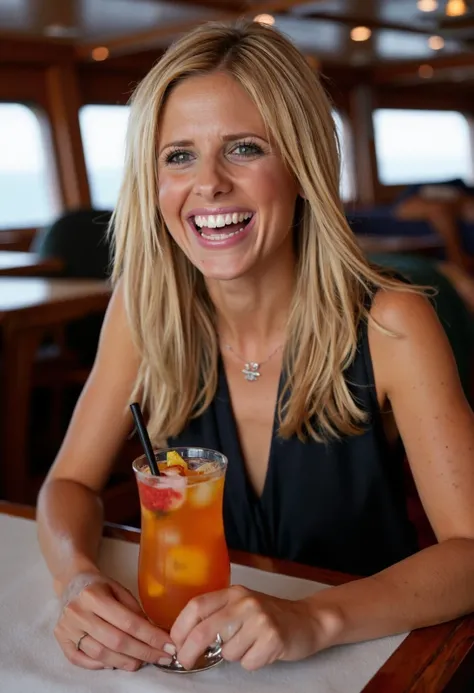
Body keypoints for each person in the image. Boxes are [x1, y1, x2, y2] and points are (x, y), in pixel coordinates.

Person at [37, 20, 474, 674]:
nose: (208, 184)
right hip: (198, 663)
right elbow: (67, 483)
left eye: (243, 148)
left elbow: (470, 549)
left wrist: (312, 617)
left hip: (361, 658)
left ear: (302, 168)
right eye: (178, 155)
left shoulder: (393, 322)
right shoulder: (143, 309)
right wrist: (75, 578)